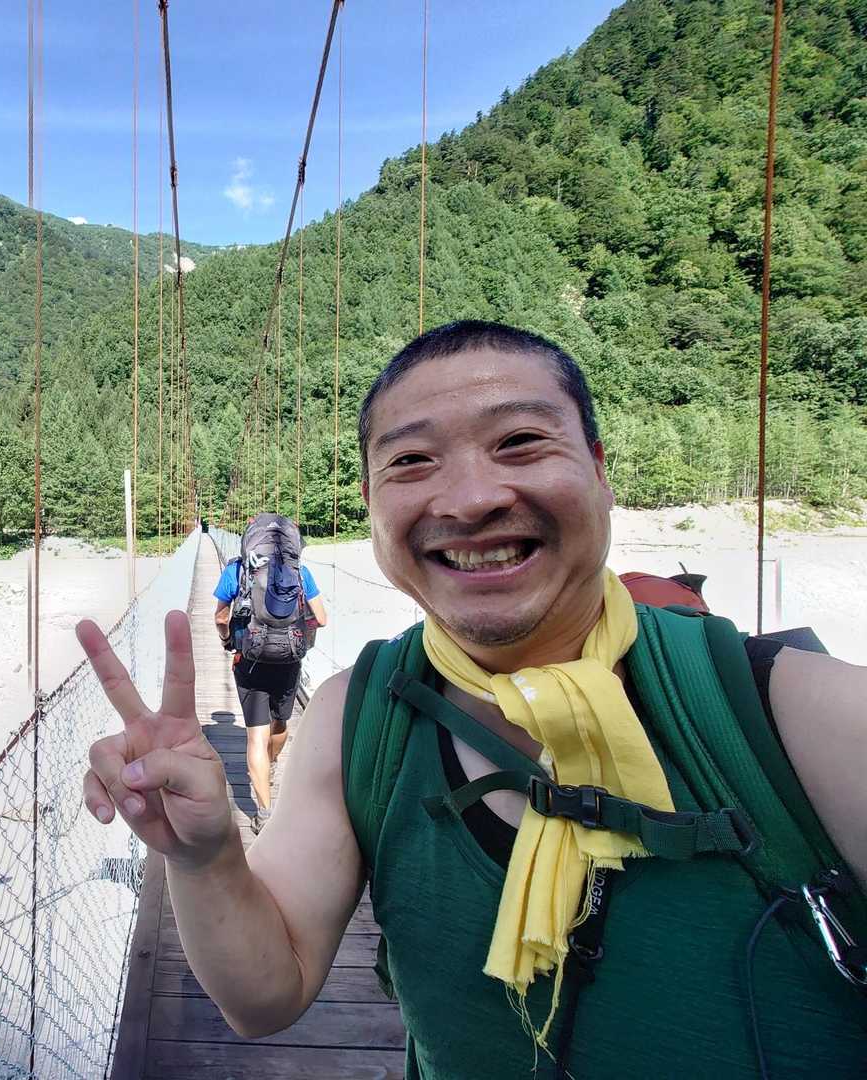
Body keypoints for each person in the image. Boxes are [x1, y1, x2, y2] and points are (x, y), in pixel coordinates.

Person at [76, 320, 867, 1078]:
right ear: (371, 502)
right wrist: (205, 857)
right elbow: (264, 995)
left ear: (600, 470)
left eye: (519, 442)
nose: (470, 499)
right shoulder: (357, 717)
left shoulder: (801, 715)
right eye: (412, 460)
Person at [211, 515, 328, 832]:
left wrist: (227, 639)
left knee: (255, 738)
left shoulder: (238, 570)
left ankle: (263, 813)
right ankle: (272, 762)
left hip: (249, 660)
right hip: (289, 660)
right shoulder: (299, 571)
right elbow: (320, 618)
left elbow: (220, 617)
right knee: (280, 724)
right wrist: (301, 639)